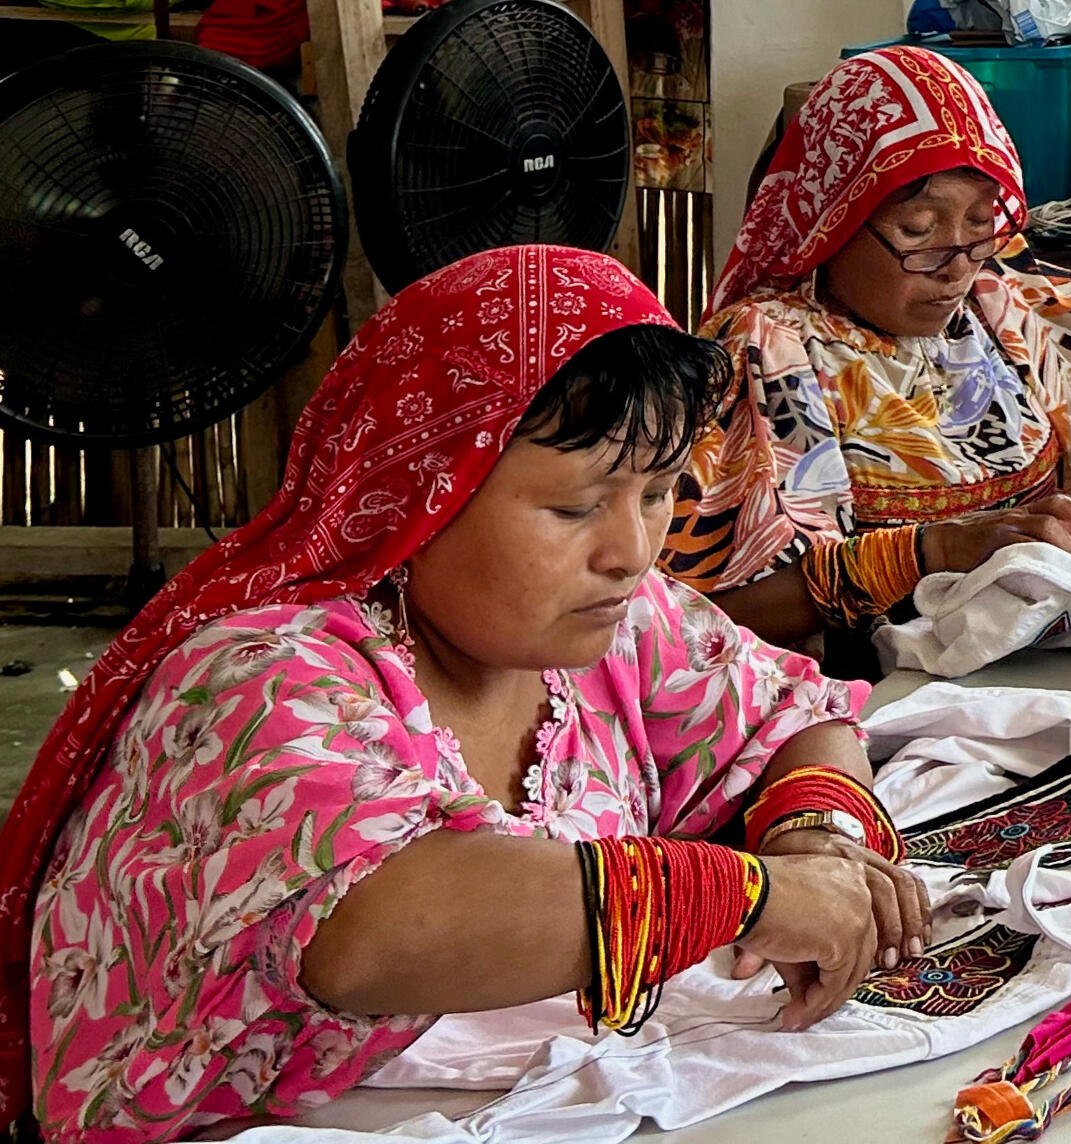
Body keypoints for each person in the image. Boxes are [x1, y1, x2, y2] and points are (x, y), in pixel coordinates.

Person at [0, 246, 931, 1144]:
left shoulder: (615, 627)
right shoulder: (258, 679)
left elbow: (794, 714)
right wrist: (750, 896)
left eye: (656, 494)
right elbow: (376, 926)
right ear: (424, 492)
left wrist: (816, 838)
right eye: (576, 508)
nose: (631, 551)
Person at [664, 46, 1071, 650]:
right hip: (868, 685)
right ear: (834, 219)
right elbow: (696, 614)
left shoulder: (995, 306)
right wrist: (932, 552)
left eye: (980, 223)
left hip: (1037, 654)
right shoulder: (764, 352)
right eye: (918, 231)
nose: (956, 266)